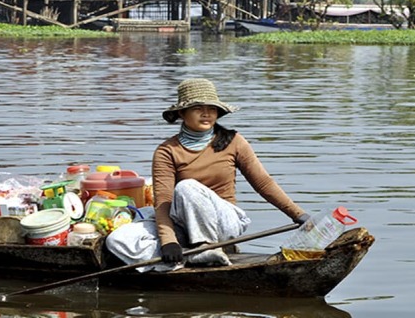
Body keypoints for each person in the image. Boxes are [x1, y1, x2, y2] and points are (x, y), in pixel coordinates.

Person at [106, 78, 310, 271]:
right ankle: (185, 257)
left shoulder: (234, 141)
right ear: (182, 114)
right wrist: (168, 242)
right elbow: (164, 201)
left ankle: (207, 247)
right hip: (184, 223)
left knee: (187, 186)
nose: (206, 114)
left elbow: (263, 184)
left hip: (224, 222)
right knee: (117, 240)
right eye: (198, 109)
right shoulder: (166, 151)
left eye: (211, 109)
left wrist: (299, 215)